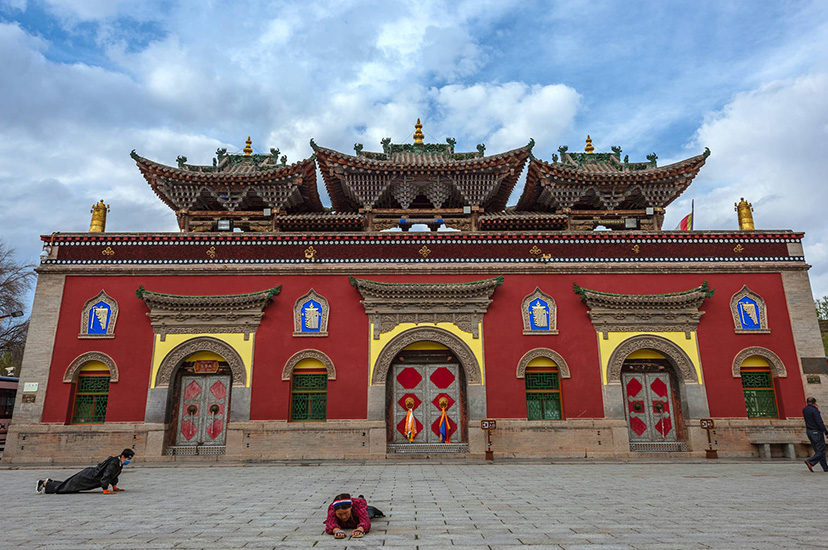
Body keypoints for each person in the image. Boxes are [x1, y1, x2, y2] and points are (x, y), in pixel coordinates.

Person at [36, 448, 135, 494]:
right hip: (87, 477)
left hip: (90, 478)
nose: (128, 461)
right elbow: (107, 474)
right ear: (122, 456)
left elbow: (114, 476)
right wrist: (105, 489)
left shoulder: (118, 463)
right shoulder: (114, 463)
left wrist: (114, 486)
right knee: (66, 488)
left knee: (69, 485)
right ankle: (43, 483)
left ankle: (50, 482)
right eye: (127, 459)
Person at [803, 397, 828, 472]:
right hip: (816, 432)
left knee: (818, 450)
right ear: (814, 403)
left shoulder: (804, 410)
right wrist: (826, 432)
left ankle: (825, 468)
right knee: (822, 451)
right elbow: (819, 422)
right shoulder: (814, 411)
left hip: (809, 431)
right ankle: (810, 461)